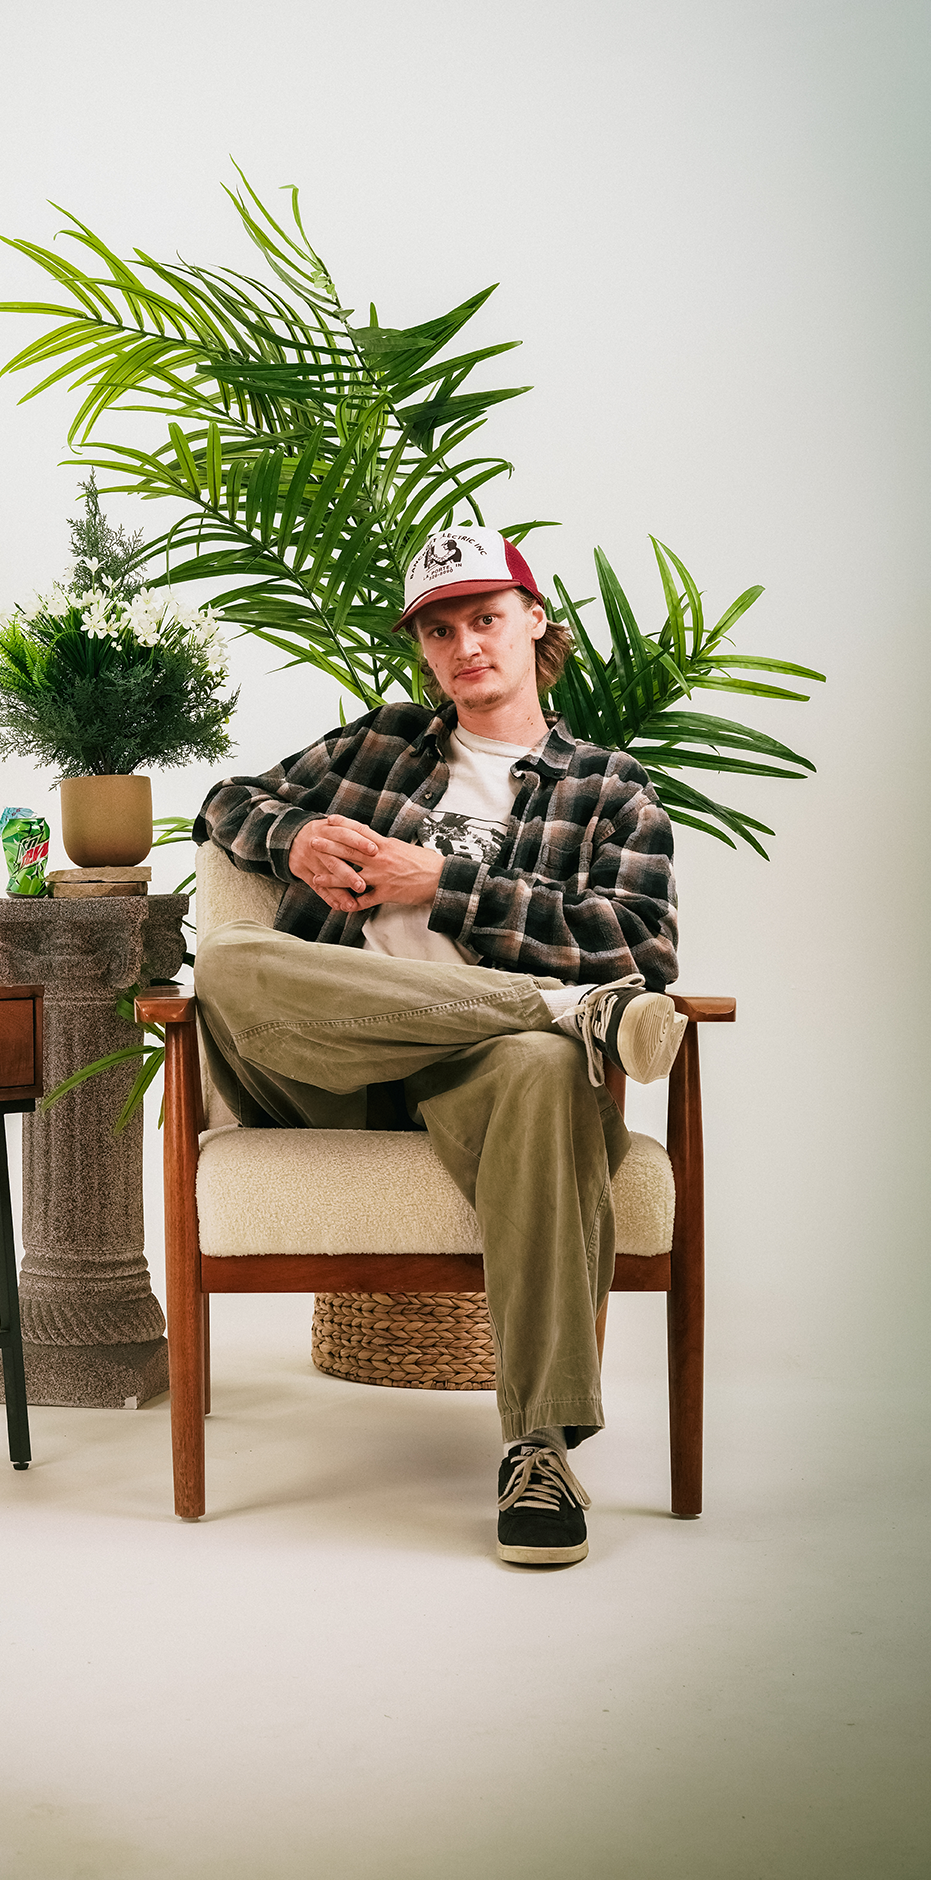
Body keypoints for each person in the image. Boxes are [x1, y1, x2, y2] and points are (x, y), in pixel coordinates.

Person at [191, 526, 685, 1567]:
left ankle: (539, 1449)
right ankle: (556, 1008)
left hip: (482, 1082)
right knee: (230, 959)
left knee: (543, 1065)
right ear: (423, 647)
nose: (466, 646)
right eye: (440, 630)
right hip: (324, 1064)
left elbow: (641, 949)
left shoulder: (609, 788)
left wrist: (445, 885)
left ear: (534, 621)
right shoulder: (377, 745)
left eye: (486, 618)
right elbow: (225, 801)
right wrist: (294, 836)